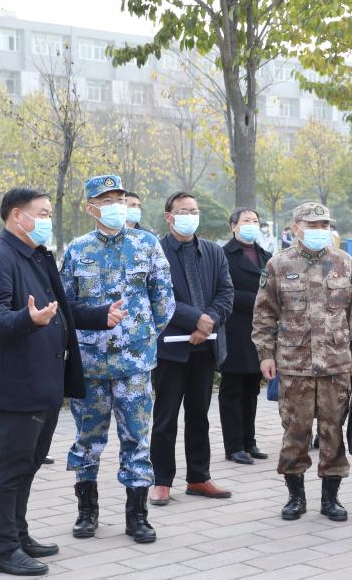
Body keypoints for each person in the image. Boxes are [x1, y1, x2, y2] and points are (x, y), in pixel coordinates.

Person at [0, 187, 122, 576]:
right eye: (41, 213)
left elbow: (59, 309)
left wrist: (99, 315)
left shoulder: (36, 256)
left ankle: (17, 535)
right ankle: (2, 550)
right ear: (17, 215)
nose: (47, 220)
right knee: (9, 468)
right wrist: (28, 319)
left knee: (29, 464)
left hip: (43, 382)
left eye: (49, 214)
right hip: (15, 385)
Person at [61, 175, 175, 544]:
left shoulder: (147, 244)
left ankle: (136, 515)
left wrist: (140, 337)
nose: (116, 206)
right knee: (87, 439)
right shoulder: (77, 250)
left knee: (136, 439)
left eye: (120, 199)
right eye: (106, 200)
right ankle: (87, 511)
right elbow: (66, 305)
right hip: (90, 365)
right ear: (91, 207)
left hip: (134, 366)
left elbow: (164, 300)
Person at [252, 201, 352, 522]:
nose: (320, 231)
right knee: (295, 432)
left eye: (324, 225)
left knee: (333, 433)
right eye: (313, 225)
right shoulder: (278, 264)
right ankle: (296, 497)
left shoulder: (343, 263)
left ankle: (331, 499)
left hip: (335, 365)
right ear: (296, 228)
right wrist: (265, 354)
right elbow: (264, 314)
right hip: (294, 366)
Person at [150, 192, 235, 504]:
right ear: (169, 217)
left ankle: (199, 477)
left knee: (199, 415)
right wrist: (194, 319)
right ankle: (161, 480)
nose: (190, 216)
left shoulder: (213, 251)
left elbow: (226, 292)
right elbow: (156, 296)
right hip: (171, 349)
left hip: (206, 348)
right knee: (165, 417)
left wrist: (208, 322)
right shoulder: (155, 252)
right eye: (184, 211)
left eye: (194, 210)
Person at [218, 207, 271, 465]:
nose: (252, 224)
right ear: (233, 226)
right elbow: (223, 290)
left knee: (251, 388)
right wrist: (258, 301)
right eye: (246, 220)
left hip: (259, 331)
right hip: (234, 329)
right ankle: (234, 445)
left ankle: (249, 441)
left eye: (255, 220)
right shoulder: (223, 255)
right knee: (233, 390)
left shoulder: (266, 256)